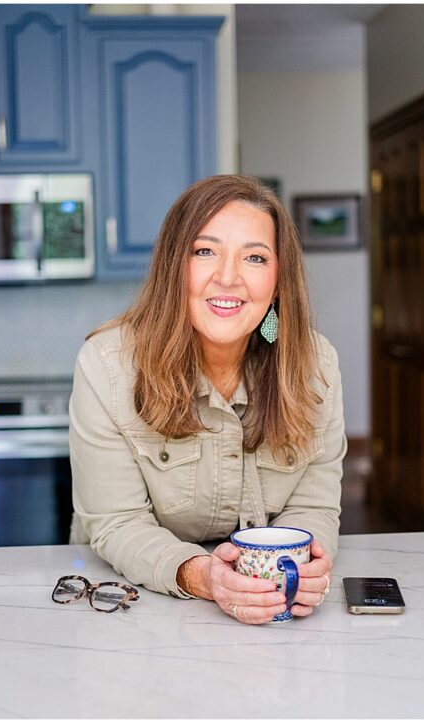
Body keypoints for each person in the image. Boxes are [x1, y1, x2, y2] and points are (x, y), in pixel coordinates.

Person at [70, 174, 344, 625]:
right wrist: (203, 576)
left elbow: (313, 506)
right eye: (204, 251)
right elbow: (117, 522)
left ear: (278, 280)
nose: (228, 277)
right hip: (128, 610)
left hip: (271, 621)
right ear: (173, 266)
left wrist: (305, 565)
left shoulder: (317, 368)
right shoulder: (107, 366)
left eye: (255, 257)